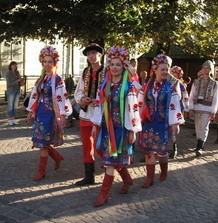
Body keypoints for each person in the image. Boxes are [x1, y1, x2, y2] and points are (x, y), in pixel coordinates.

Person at [91, 46, 142, 207]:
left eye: (118, 64)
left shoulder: (128, 85)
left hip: (121, 128)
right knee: (112, 159)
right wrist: (95, 124)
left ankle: (103, 193)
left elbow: (133, 107)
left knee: (111, 162)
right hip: (107, 128)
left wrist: (133, 130)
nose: (114, 67)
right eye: (112, 64)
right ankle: (127, 179)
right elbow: (99, 105)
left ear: (123, 66)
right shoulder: (104, 84)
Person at [138, 54, 184, 188]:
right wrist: (137, 120)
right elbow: (140, 103)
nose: (165, 72)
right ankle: (150, 178)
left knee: (163, 152)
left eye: (167, 69)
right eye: (162, 69)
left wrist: (175, 123)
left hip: (164, 124)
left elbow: (175, 104)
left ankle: (163, 172)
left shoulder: (171, 87)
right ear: (155, 70)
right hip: (148, 122)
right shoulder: (147, 86)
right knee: (149, 151)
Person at [26, 46, 72, 181]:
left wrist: (63, 114)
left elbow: (62, 97)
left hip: (51, 113)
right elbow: (35, 95)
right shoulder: (40, 79)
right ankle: (56, 157)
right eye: (44, 61)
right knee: (41, 141)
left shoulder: (57, 80)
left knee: (43, 142)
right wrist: (31, 111)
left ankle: (41, 171)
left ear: (54, 63)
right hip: (40, 112)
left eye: (49, 62)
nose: (47, 64)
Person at [74, 43, 104, 186]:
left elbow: (110, 92)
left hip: (101, 114)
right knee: (87, 145)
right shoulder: (85, 72)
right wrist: (82, 99)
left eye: (94, 53)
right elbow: (78, 91)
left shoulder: (107, 71)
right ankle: (89, 176)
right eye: (89, 54)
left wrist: (98, 101)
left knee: (101, 144)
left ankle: (109, 169)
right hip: (85, 114)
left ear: (100, 55)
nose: (91, 56)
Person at [189, 60, 218, 156]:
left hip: (207, 109)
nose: (206, 69)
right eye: (204, 67)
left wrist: (213, 111)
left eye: (208, 68)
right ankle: (199, 143)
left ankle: (199, 147)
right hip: (197, 107)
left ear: (211, 70)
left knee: (204, 127)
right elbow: (192, 95)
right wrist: (191, 108)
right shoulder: (196, 82)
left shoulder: (214, 84)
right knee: (197, 127)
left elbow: (215, 98)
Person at [169, 65, 189, 159]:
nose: (172, 75)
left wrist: (186, 108)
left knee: (173, 130)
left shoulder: (181, 85)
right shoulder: (166, 83)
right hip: (166, 109)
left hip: (177, 109)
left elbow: (185, 97)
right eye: (171, 73)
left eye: (174, 73)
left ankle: (173, 148)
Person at [6, 61, 21, 126]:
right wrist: (17, 81)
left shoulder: (17, 72)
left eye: (15, 65)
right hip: (11, 91)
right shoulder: (8, 73)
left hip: (17, 90)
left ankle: (13, 118)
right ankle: (9, 119)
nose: (14, 66)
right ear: (10, 66)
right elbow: (8, 83)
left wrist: (21, 81)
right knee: (10, 105)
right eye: (13, 65)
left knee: (15, 105)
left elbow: (19, 79)